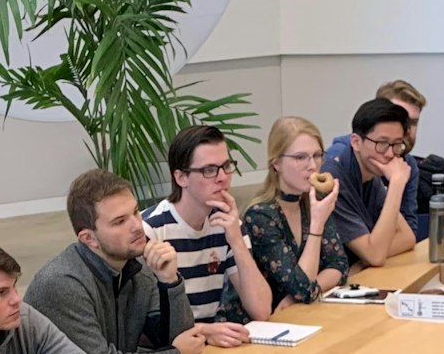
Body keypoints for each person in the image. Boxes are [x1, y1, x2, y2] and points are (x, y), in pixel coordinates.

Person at [26, 169, 204, 354]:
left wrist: (170, 281)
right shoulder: (62, 283)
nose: (137, 226)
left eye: (135, 212)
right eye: (119, 221)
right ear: (88, 238)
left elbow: (185, 341)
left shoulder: (137, 269)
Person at [144, 122, 266, 336]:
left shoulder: (228, 224)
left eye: (226, 166)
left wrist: (236, 241)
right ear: (181, 177)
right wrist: (204, 331)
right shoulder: (151, 230)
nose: (223, 177)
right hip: (170, 350)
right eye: (209, 170)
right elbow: (146, 327)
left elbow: (261, 309)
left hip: (209, 346)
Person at [237, 117, 349, 310]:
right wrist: (316, 227)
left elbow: (339, 265)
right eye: (300, 157)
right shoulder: (260, 216)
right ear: (276, 163)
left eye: (317, 155)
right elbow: (301, 287)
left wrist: (304, 294)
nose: (312, 165)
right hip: (266, 327)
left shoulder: (315, 200)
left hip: (301, 313)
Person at [319, 98, 419, 269]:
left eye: (396, 144)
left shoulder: (371, 176)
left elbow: (407, 237)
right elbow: (376, 256)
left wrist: (362, 260)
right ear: (356, 142)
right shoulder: (332, 180)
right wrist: (396, 184)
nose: (389, 154)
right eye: (381, 143)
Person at [377, 79, 430, 241]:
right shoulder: (345, 156)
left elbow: (409, 233)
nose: (408, 130)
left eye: (413, 123)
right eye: (401, 120)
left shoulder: (408, 165)